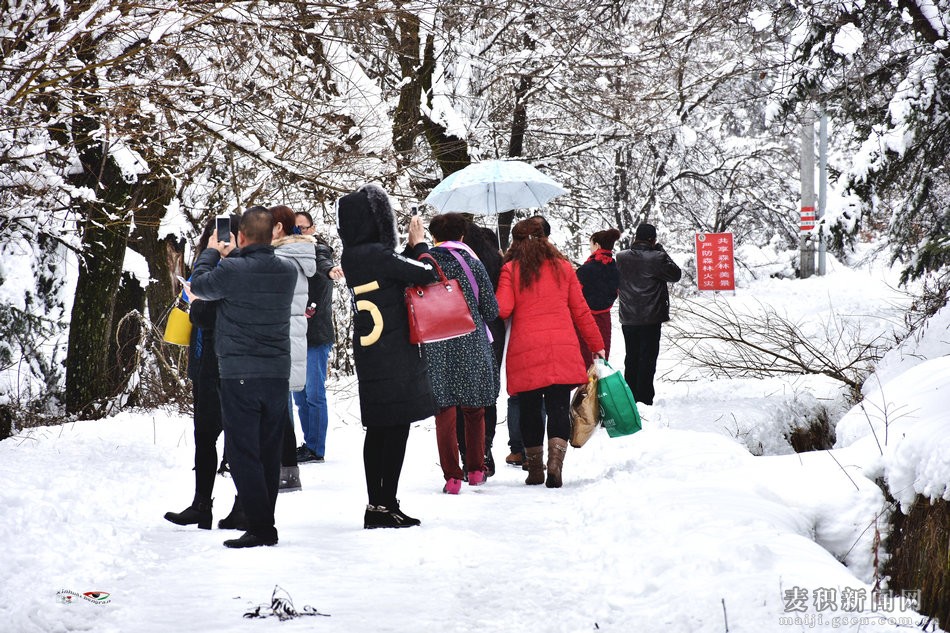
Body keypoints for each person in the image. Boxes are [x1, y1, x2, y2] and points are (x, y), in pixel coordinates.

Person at [187, 206, 297, 548]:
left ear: (242, 236)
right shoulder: (287, 270)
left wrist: (211, 252)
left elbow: (199, 286)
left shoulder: (231, 270)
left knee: (242, 451)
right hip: (276, 374)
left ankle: (261, 527)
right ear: (273, 235)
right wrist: (234, 255)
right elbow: (252, 273)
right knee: (268, 452)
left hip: (239, 373)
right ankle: (264, 522)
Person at [336, 184, 439, 528]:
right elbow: (427, 273)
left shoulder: (353, 255)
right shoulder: (378, 254)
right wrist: (420, 245)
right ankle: (386, 504)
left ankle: (376, 505)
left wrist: (407, 250)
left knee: (378, 428)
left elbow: (393, 272)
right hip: (393, 352)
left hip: (371, 352)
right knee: (396, 428)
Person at [496, 217, 605, 488]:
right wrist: (597, 343)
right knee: (558, 407)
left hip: (526, 349)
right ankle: (556, 463)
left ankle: (535, 469)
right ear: (544, 239)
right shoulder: (563, 267)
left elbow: (503, 309)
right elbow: (581, 310)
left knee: (530, 409)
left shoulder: (510, 269)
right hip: (561, 347)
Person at [164, 214, 246, 532]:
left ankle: (241, 505)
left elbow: (208, 314)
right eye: (214, 235)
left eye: (224, 235)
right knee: (204, 436)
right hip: (205, 363)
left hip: (228, 364)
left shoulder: (238, 268)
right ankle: (202, 505)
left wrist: (199, 302)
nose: (219, 240)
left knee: (236, 438)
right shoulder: (207, 265)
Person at [423, 213, 499, 494]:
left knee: (444, 410)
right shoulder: (473, 263)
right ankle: (476, 470)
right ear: (462, 236)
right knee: (474, 408)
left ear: (433, 236)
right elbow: (491, 310)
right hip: (471, 340)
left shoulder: (423, 264)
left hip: (436, 343)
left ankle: (452, 478)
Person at [268, 205, 317, 492]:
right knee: (280, 402)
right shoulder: (297, 255)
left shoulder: (280, 257)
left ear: (278, 228)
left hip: (280, 332)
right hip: (292, 331)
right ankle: (287, 470)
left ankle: (283, 470)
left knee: (276, 404)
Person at [292, 211, 344, 464]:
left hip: (316, 334)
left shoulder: (319, 249)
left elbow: (323, 263)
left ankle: (315, 448)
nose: (299, 232)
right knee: (299, 395)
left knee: (314, 393)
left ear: (312, 228)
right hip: (295, 334)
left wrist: (331, 270)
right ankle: (308, 444)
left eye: (303, 228)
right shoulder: (288, 254)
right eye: (295, 229)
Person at [455, 221, 505, 476]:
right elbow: (496, 305)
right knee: (487, 391)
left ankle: (467, 453)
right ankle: (485, 448)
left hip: (460, 329)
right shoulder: (495, 261)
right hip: (492, 331)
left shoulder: (456, 261)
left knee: (460, 394)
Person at [615, 222, 682, 406]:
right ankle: (644, 399)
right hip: (651, 319)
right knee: (647, 359)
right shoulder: (657, 258)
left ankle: (630, 398)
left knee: (631, 358)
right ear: (653, 240)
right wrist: (662, 251)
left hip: (628, 317)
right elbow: (676, 274)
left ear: (636, 237)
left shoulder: (621, 257)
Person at [575, 228, 621, 366]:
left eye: (591, 244)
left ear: (597, 245)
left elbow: (575, 295)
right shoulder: (615, 268)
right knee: (600, 359)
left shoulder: (586, 269)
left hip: (585, 319)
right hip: (605, 318)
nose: (590, 248)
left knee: (584, 359)